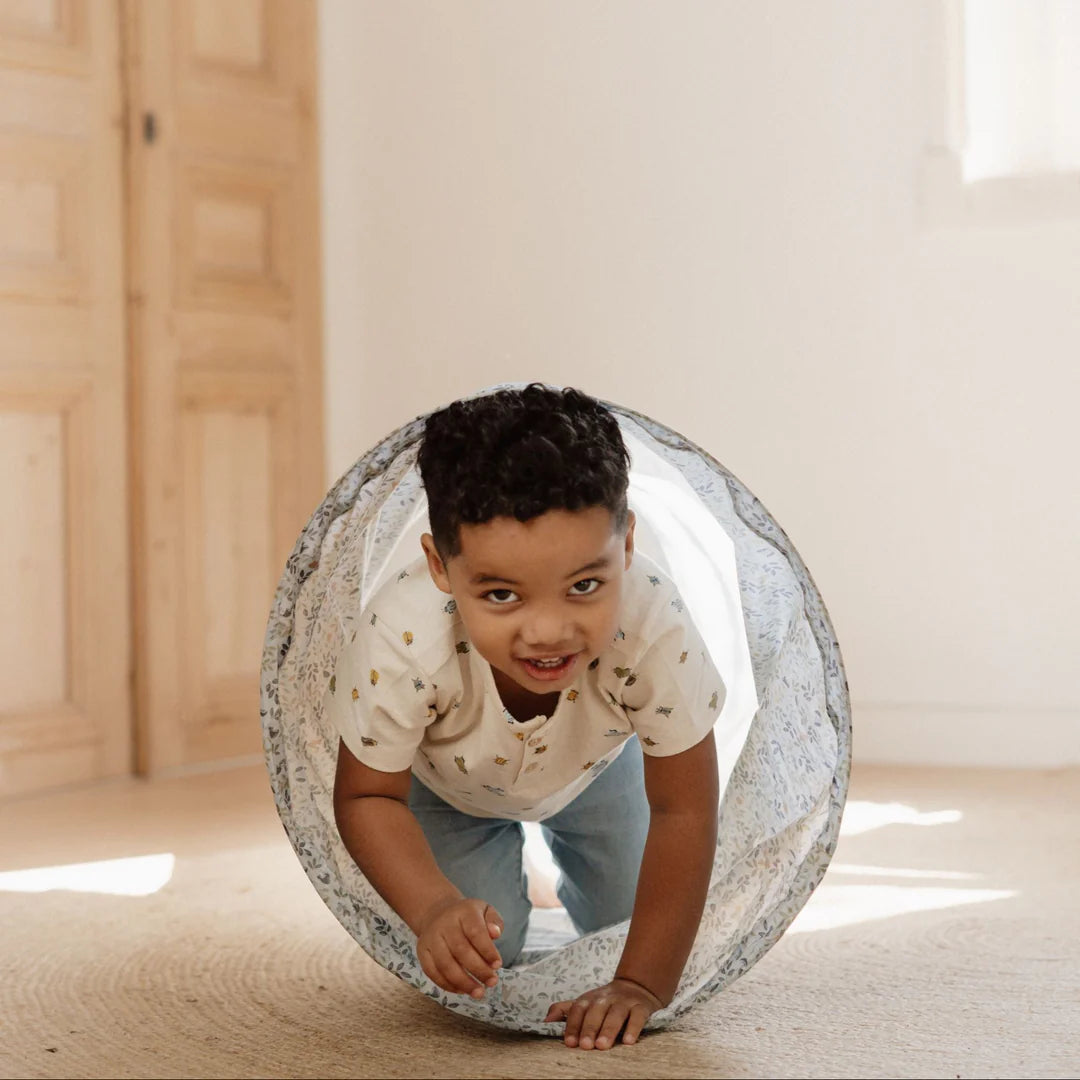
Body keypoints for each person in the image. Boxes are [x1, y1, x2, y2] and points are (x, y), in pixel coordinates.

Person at [329, 384, 723, 1051]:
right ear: (440, 568)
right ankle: (508, 868)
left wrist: (644, 985)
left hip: (598, 769)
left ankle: (559, 864)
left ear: (626, 544)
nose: (548, 631)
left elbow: (686, 809)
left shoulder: (654, 623)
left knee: (629, 934)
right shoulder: (403, 638)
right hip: (448, 789)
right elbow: (366, 793)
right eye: (503, 593)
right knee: (483, 954)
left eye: (584, 586)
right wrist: (432, 908)